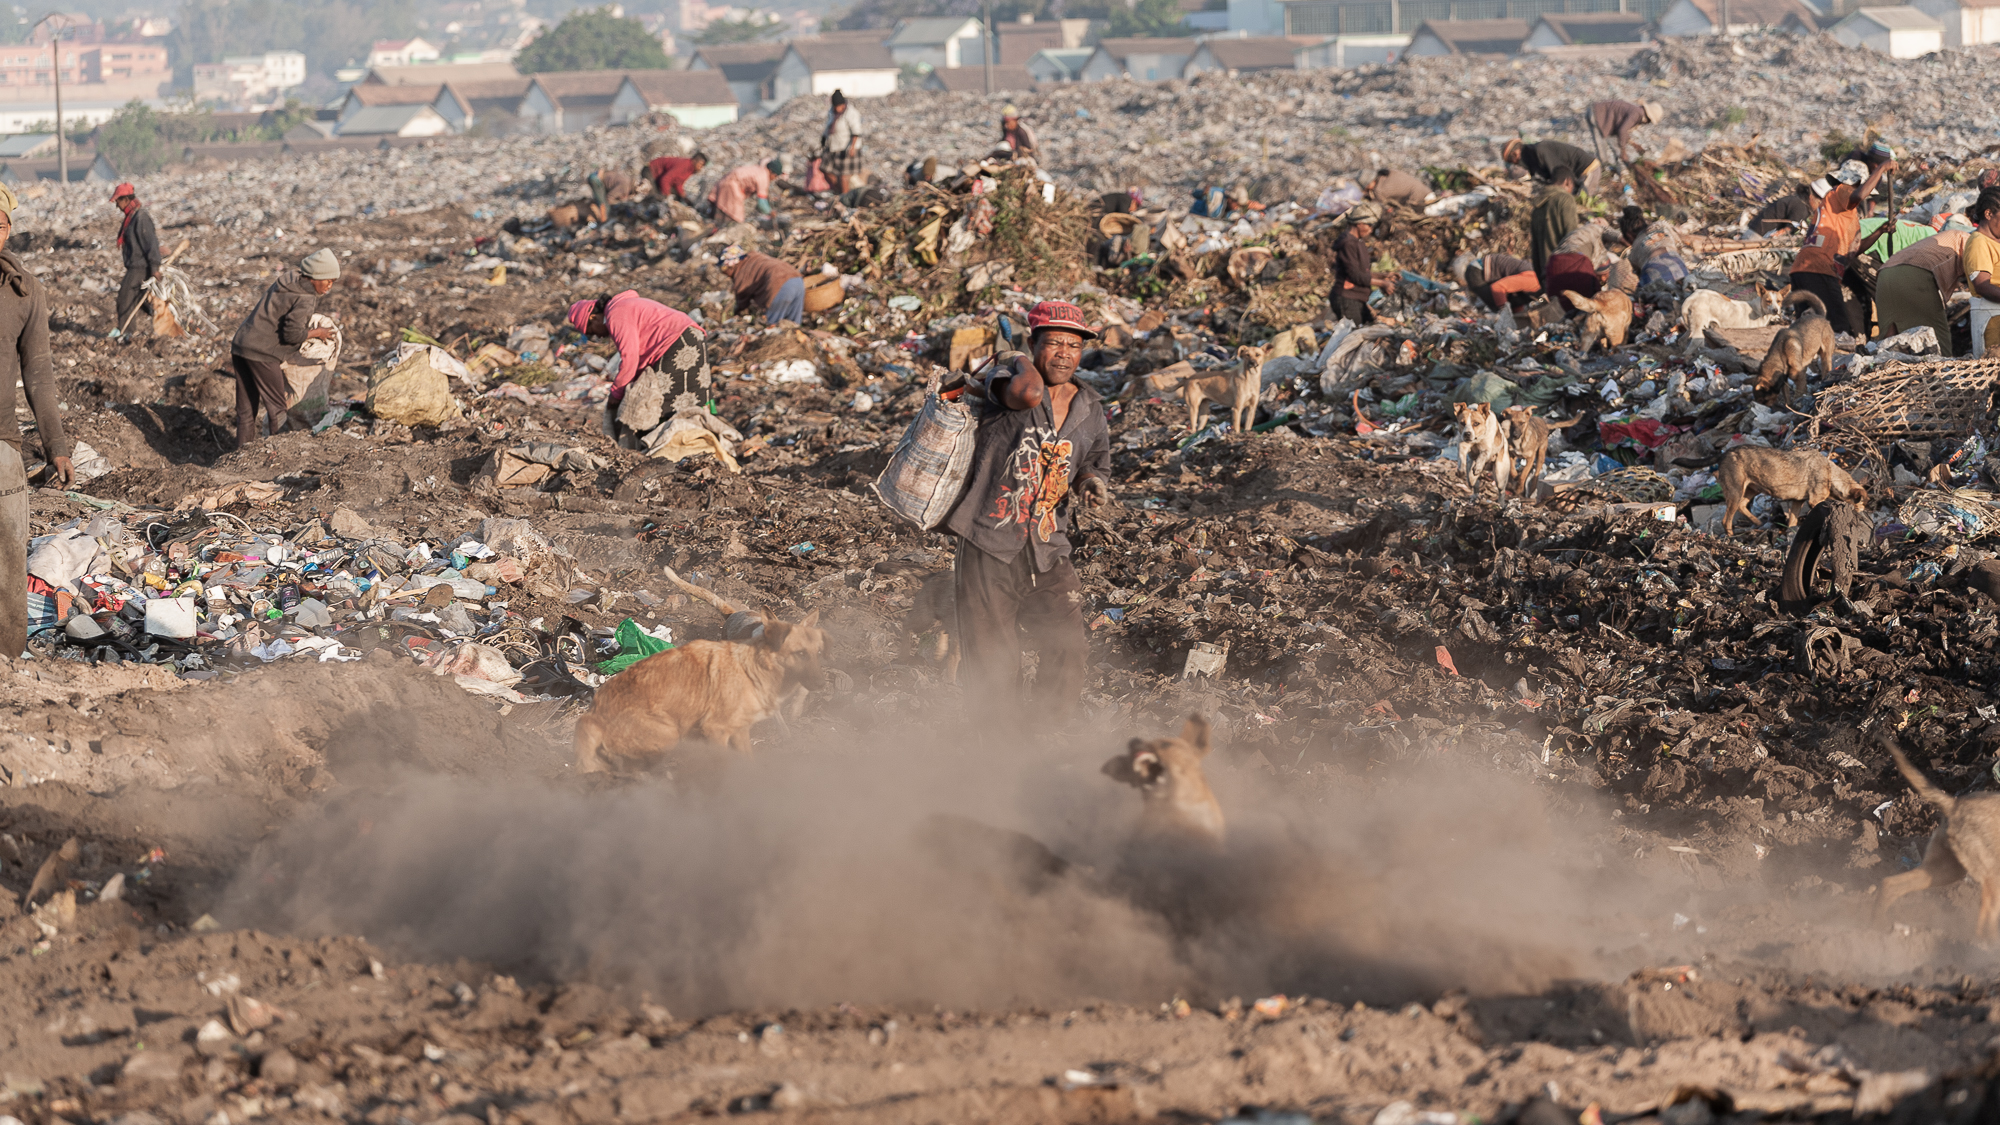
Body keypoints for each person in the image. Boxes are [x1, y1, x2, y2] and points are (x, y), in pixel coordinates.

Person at [941, 300, 1111, 730]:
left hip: (1048, 548)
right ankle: (1001, 758)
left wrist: (1091, 481)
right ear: (1033, 344)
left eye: (1074, 346)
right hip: (989, 542)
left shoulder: (1089, 405)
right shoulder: (1005, 377)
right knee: (994, 661)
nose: (1065, 354)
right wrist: (1015, 355)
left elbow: (1094, 460)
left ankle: (1044, 738)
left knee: (1069, 647)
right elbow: (1028, 394)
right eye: (1053, 343)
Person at [0, 182, 71, 657]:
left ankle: (9, 658)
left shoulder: (24, 291)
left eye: (0, 222)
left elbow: (39, 373)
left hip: (2, 440)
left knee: (8, 556)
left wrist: (56, 445)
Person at [567, 291, 709, 446]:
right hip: (688, 338)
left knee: (659, 400)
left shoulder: (616, 313)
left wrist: (616, 393)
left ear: (593, 318)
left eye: (592, 331)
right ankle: (685, 442)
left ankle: (679, 444)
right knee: (678, 397)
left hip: (679, 343)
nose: (598, 337)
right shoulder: (620, 308)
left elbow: (630, 358)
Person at [230, 248, 338, 448]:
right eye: (328, 280)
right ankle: (276, 451)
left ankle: (240, 454)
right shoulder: (305, 299)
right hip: (262, 353)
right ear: (315, 277)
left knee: (246, 410)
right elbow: (292, 335)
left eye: (333, 282)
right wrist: (318, 333)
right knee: (277, 408)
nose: (329, 286)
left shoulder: (288, 280)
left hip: (241, 344)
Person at [1791, 158, 1894, 340]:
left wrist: (1880, 231)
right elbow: (1858, 195)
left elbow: (1853, 251)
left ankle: (1806, 367)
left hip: (1803, 269)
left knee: (1806, 327)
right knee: (1838, 327)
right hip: (1820, 269)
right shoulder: (1842, 191)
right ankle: (1837, 366)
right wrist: (1881, 168)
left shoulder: (1843, 213)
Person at [1875, 229, 1968, 355]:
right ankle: (1943, 372)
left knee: (1890, 339)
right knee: (1936, 338)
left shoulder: (1951, 236)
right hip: (1913, 274)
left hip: (1885, 273)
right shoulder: (1973, 241)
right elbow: (1981, 281)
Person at [1328, 203, 1395, 324]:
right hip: (1347, 298)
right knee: (1352, 336)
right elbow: (1355, 276)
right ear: (1359, 224)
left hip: (1356, 298)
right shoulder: (1348, 243)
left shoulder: (1357, 242)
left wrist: (1384, 275)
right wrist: (1382, 283)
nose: (1371, 229)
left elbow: (1363, 272)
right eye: (1369, 225)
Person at [110, 182, 159, 344]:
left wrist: (155, 267)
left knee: (124, 298)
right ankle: (164, 320)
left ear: (125, 199)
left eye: (118, 201)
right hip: (135, 266)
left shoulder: (140, 218)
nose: (117, 205)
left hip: (140, 267)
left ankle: (126, 333)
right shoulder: (131, 218)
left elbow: (150, 243)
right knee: (140, 301)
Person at [720, 245, 804, 325]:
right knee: (794, 324)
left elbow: (742, 295)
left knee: (774, 326)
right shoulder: (755, 258)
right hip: (797, 280)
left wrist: (737, 312)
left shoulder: (742, 269)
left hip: (779, 283)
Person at [1964, 188, 2000, 357]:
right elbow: (1982, 286)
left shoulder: (1995, 242)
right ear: (1988, 214)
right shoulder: (1978, 242)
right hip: (1992, 319)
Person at [1504, 138, 1598, 196]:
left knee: (1581, 201)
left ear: (1516, 154)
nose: (1515, 164)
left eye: (1511, 160)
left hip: (1588, 170)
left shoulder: (1540, 151)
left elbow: (1562, 174)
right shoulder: (1533, 159)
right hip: (1576, 175)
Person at [1621, 205, 1689, 287]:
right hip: (1678, 265)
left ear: (1628, 234)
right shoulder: (1662, 225)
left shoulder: (1633, 251)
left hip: (1655, 274)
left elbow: (1637, 274)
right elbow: (1679, 244)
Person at [1529, 173, 1580, 278]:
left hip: (1545, 271)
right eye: (1572, 186)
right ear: (1568, 181)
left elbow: (1534, 246)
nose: (1571, 190)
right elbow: (1572, 236)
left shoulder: (1537, 205)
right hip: (1563, 269)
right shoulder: (1565, 199)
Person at [1587, 99, 1664, 167]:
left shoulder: (1637, 112)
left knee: (1616, 148)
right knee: (1602, 148)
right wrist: (1623, 151)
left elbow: (1623, 130)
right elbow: (1622, 131)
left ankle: (1613, 167)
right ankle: (1604, 168)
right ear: (1648, 118)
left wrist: (1633, 144)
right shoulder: (1637, 114)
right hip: (1597, 114)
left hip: (1606, 121)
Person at [1453, 252, 1540, 311]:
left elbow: (1516, 302)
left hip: (1480, 270)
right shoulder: (1534, 281)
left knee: (1514, 301)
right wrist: (1506, 315)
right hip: (1476, 271)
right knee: (1496, 303)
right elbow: (1498, 288)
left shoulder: (1537, 281)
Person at [710, 159, 781, 225]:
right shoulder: (764, 177)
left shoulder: (758, 169)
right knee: (733, 216)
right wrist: (770, 212)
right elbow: (761, 202)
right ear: (771, 171)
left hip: (726, 181)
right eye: (775, 176)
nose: (774, 178)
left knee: (720, 210)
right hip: (732, 187)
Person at [821, 90, 864, 195]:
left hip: (847, 148)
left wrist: (852, 147)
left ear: (843, 104)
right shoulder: (832, 112)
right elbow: (828, 128)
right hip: (833, 147)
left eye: (838, 106)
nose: (837, 108)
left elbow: (856, 132)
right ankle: (841, 193)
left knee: (843, 176)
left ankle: (844, 198)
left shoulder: (851, 113)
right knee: (825, 170)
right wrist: (823, 141)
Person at [1364, 167, 1432, 211]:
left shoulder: (1379, 189)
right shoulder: (1390, 172)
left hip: (1422, 202)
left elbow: (1376, 206)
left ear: (1371, 182)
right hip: (1428, 192)